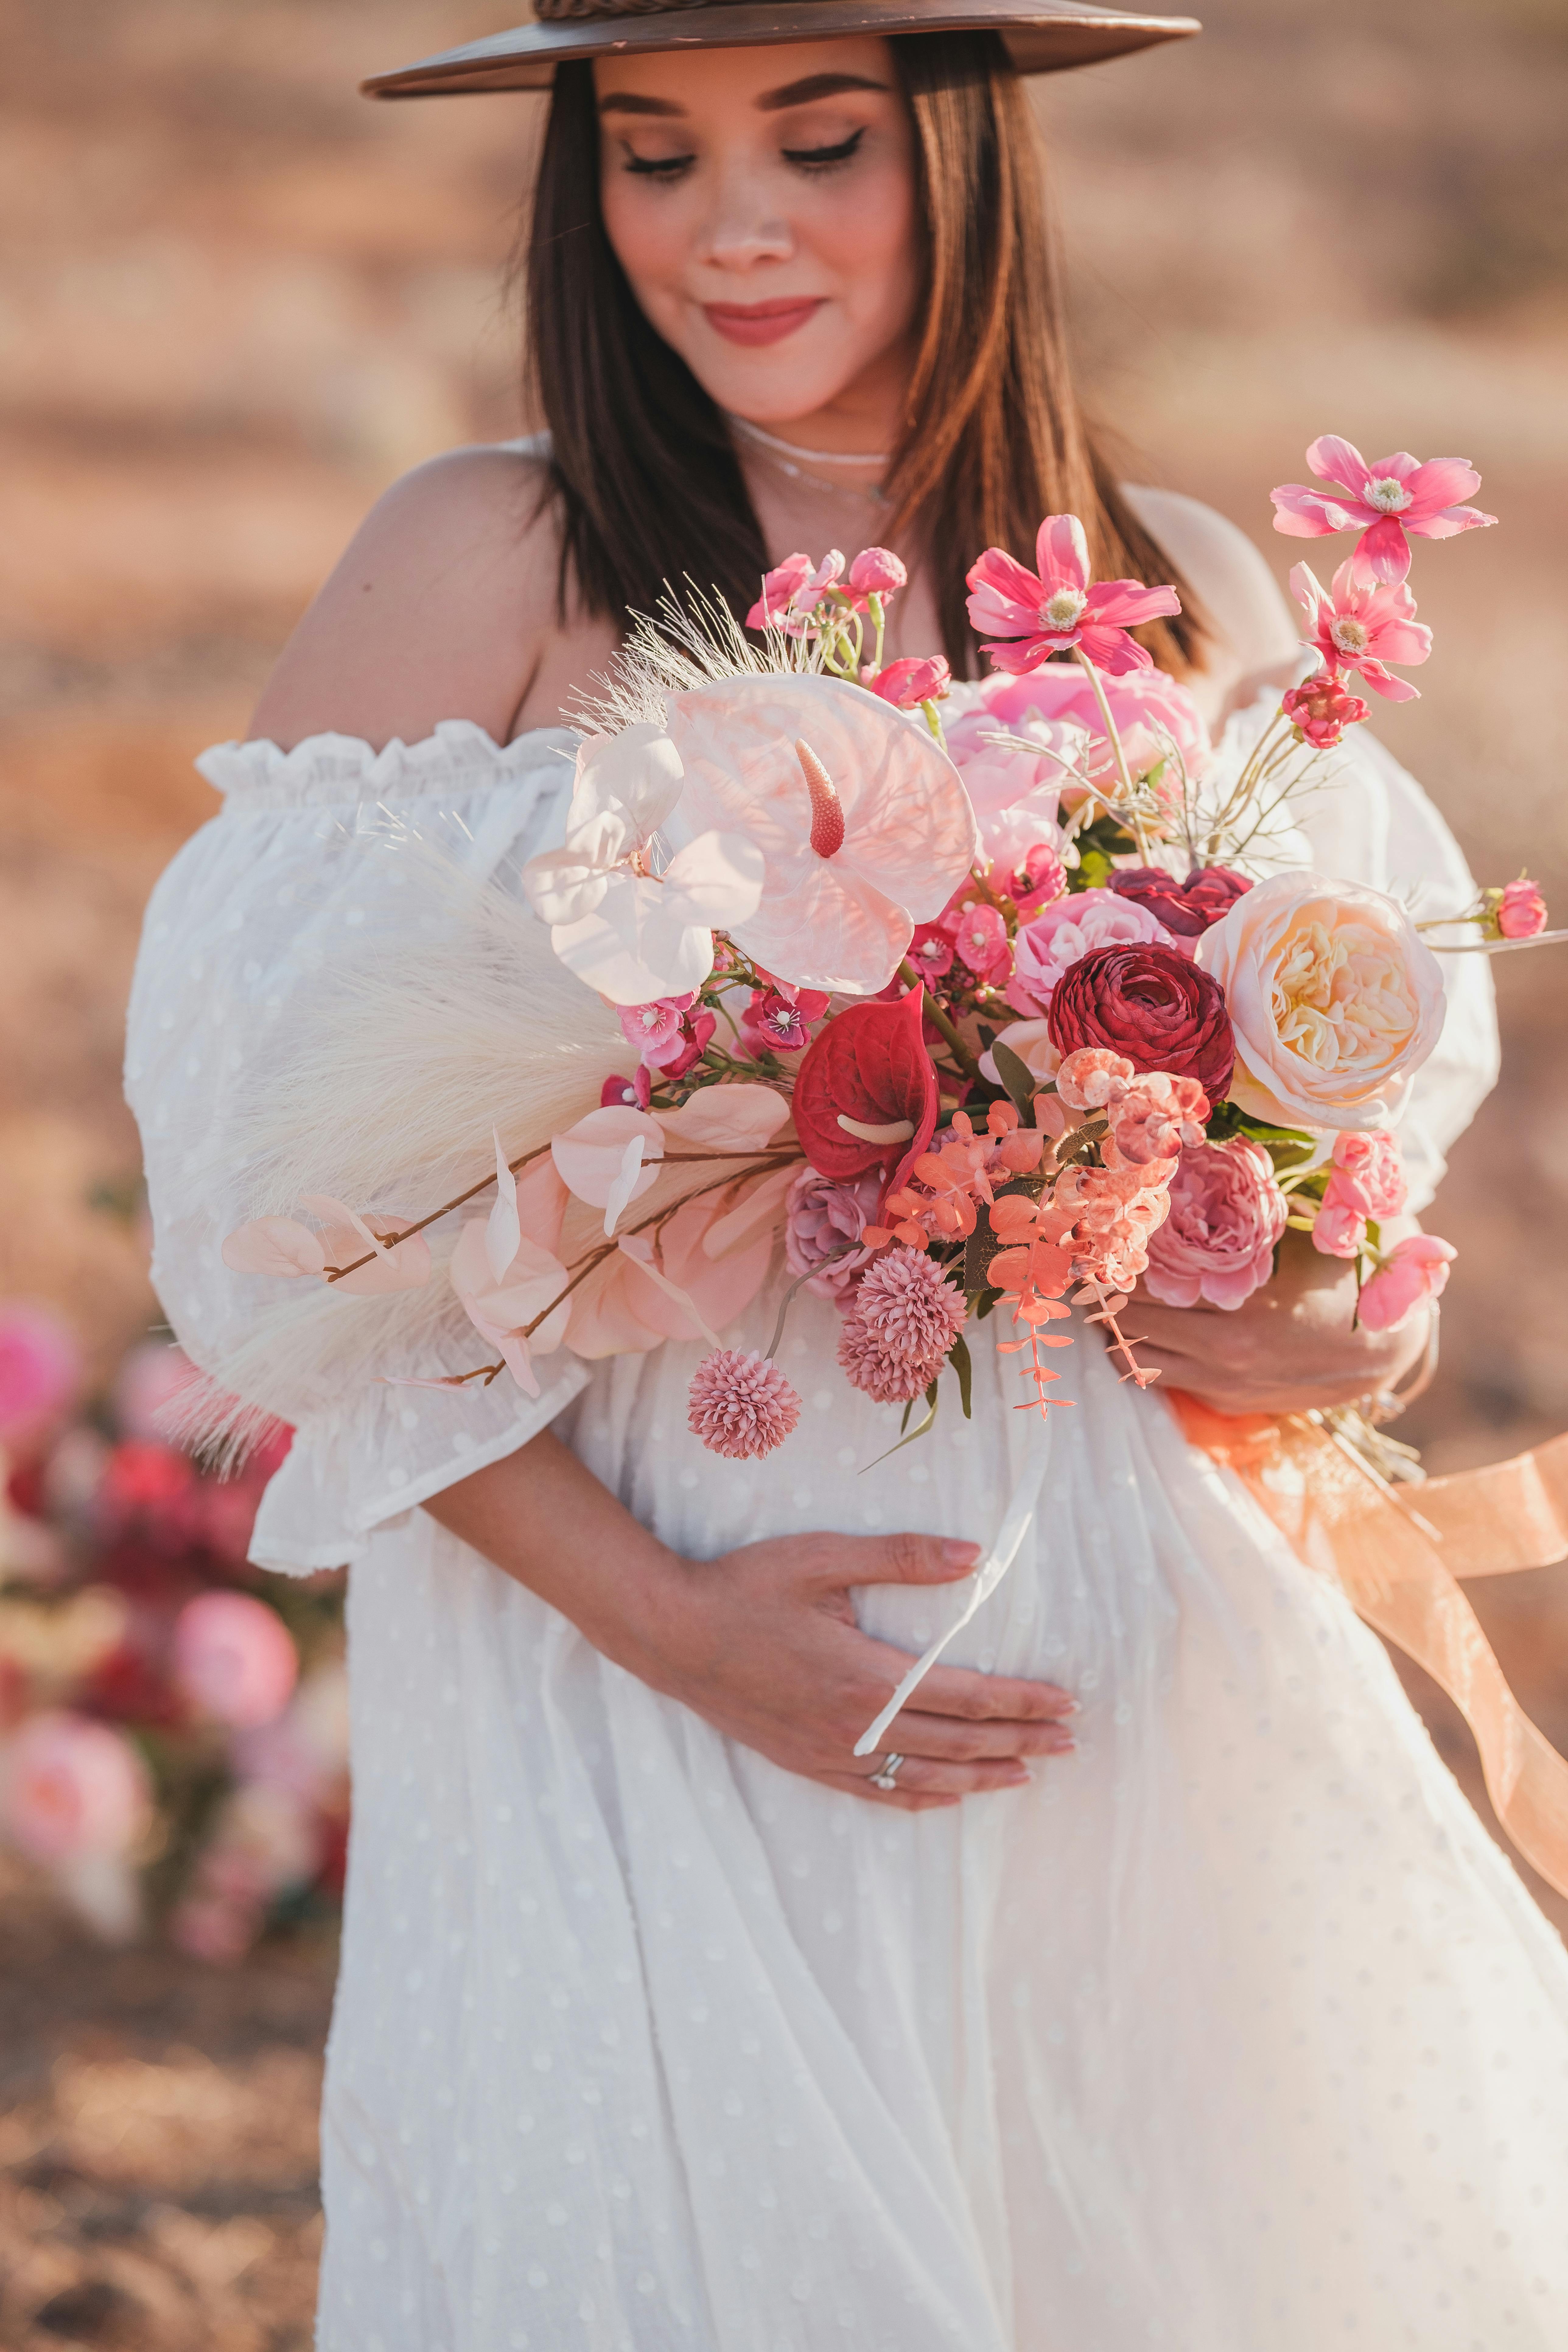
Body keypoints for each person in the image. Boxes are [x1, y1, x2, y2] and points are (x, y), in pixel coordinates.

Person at [126, 4, 1568, 2345]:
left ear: (970, 153)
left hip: (1118, 1663)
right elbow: (282, 1224)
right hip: (646, 1658)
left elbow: (1362, 1151)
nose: (733, 228)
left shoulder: (1192, 586)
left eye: (817, 142)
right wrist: (679, 1634)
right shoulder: (495, 551)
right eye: (654, 154)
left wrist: (1347, 1317)